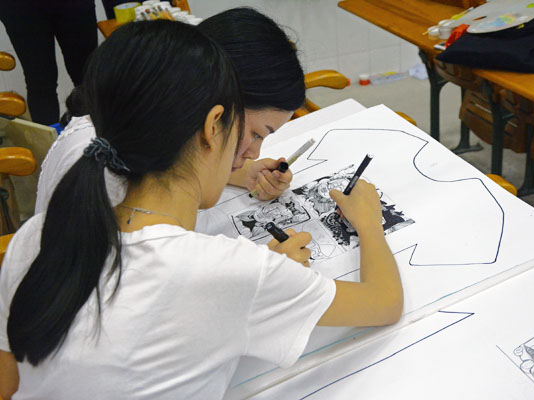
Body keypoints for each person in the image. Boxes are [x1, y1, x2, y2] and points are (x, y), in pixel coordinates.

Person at [0, 20, 403, 399]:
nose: (250, 154)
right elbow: (384, 302)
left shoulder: (33, 237)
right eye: (251, 134)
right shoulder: (231, 272)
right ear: (213, 125)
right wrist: (369, 222)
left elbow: (10, 382)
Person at [35, 7, 304, 215]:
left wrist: (240, 173)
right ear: (215, 113)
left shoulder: (146, 120)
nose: (254, 153)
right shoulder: (108, 165)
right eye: (257, 134)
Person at [0, 0, 98, 125]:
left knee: (88, 76)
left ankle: (99, 133)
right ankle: (51, 137)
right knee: (40, 83)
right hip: (20, 7)